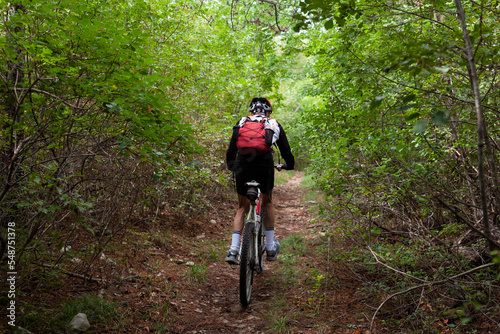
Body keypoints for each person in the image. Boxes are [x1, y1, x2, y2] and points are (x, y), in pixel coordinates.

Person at [225, 97, 295, 265]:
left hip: (242, 165)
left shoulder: (241, 122)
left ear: (251, 112)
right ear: (268, 112)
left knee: (242, 207)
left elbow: (231, 150)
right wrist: (289, 165)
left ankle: (234, 250)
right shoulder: (273, 124)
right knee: (268, 203)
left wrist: (232, 166)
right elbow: (285, 150)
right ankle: (270, 248)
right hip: (264, 165)